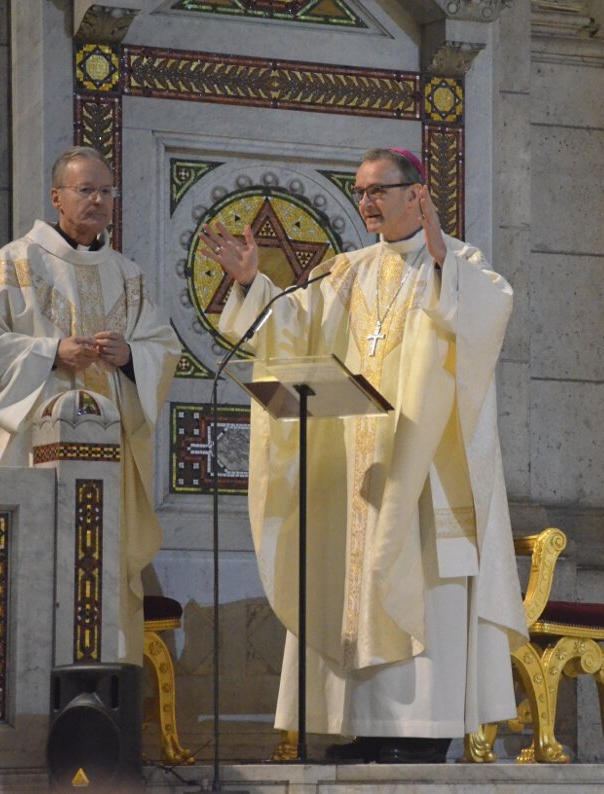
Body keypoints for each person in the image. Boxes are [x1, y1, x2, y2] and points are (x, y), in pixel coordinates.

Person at [201, 148, 527, 763]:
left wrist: (439, 261)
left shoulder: (460, 263)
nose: (368, 202)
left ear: (418, 194)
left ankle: (423, 733)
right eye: (360, 191)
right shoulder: (343, 272)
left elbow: (485, 317)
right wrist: (250, 283)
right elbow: (287, 331)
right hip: (358, 470)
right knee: (353, 591)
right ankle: (365, 729)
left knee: (416, 586)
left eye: (379, 190)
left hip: (425, 468)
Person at [0, 145, 181, 664]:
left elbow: (164, 347)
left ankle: (105, 685)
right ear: (56, 198)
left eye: (106, 191)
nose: (98, 200)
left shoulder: (128, 275)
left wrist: (132, 355)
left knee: (104, 571)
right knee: (39, 570)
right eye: (85, 189)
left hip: (108, 460)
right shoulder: (11, 265)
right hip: (33, 450)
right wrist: (50, 352)